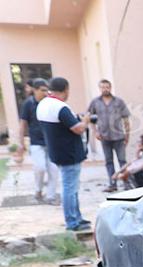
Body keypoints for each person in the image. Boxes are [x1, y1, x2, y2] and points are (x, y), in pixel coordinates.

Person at [36, 77, 91, 231]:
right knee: (70, 188)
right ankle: (72, 222)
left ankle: (77, 218)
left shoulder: (43, 104)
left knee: (71, 187)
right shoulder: (60, 106)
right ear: (65, 89)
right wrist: (85, 121)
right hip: (69, 153)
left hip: (57, 151)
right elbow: (78, 129)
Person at [16, 78, 60, 203]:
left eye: (47, 90)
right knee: (40, 167)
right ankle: (38, 189)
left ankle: (51, 196)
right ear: (35, 90)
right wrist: (20, 143)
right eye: (42, 90)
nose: (46, 93)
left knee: (54, 169)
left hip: (51, 142)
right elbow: (23, 124)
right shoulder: (28, 104)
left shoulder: (50, 103)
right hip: (36, 142)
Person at [88, 79, 131, 192]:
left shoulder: (119, 102)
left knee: (122, 160)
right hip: (104, 137)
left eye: (107, 87)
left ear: (110, 88)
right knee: (109, 161)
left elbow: (126, 119)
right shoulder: (95, 102)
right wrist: (95, 131)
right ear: (99, 88)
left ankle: (127, 183)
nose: (105, 89)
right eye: (102, 87)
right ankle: (112, 184)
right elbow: (90, 119)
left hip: (119, 136)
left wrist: (127, 135)